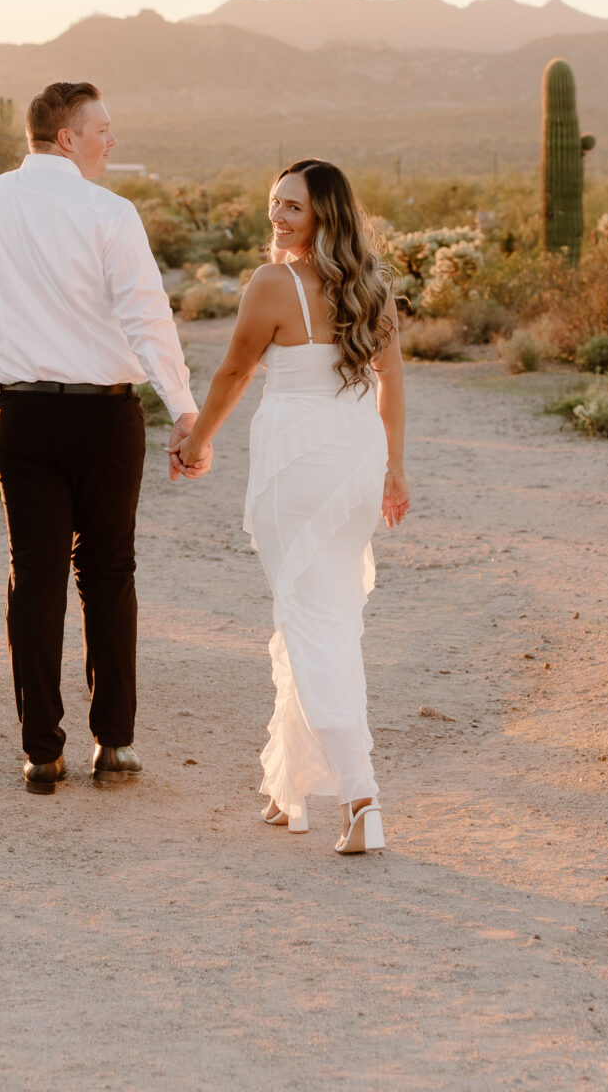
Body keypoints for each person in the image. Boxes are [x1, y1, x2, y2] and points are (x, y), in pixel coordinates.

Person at [0, 78, 208, 794]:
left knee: (35, 579)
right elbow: (147, 318)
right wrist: (184, 408)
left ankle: (40, 752)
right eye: (101, 129)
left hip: (21, 416)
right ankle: (113, 744)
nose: (111, 141)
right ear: (66, 138)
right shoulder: (108, 213)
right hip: (106, 418)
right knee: (109, 574)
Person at [173, 157, 408, 854]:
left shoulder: (273, 283)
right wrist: (394, 473)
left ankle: (360, 795)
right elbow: (390, 385)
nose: (276, 218)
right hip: (356, 464)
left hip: (298, 468)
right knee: (317, 617)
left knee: (310, 623)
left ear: (323, 217)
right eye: (274, 204)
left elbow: (235, 370)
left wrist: (194, 446)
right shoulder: (372, 288)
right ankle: (290, 786)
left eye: (292, 209)